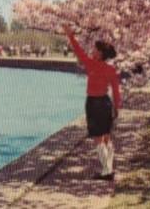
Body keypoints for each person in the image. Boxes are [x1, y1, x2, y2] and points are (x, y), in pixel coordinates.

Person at [62, 24, 121, 181]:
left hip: (94, 103)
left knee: (98, 138)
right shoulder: (111, 69)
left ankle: (106, 171)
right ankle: (109, 169)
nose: (92, 51)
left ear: (100, 54)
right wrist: (117, 108)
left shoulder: (91, 64)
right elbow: (116, 91)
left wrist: (70, 36)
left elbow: (78, 51)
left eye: (95, 50)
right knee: (107, 137)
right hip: (106, 103)